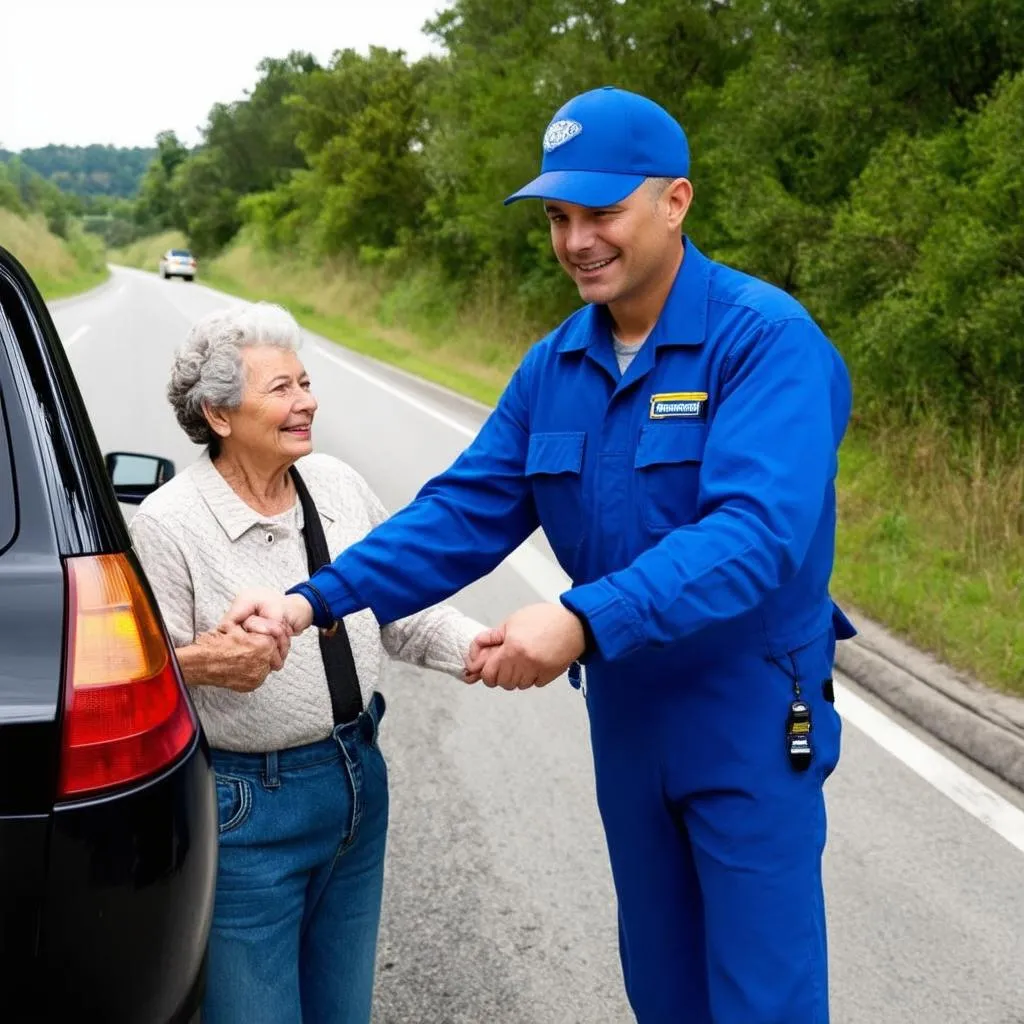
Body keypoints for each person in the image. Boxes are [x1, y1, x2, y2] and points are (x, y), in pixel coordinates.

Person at [226, 87, 857, 1023]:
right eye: (560, 217)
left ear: (674, 201)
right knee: (664, 986)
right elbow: (461, 514)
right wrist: (310, 600)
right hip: (629, 711)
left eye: (601, 212)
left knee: (763, 995)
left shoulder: (764, 343)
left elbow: (754, 537)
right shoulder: (555, 365)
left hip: (749, 707)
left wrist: (578, 616)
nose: (576, 241)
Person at [128, 302, 484, 1024]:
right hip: (249, 812)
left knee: (343, 1012)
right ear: (219, 415)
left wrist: (484, 649)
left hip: (358, 786)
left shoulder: (338, 485)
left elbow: (399, 607)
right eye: (281, 389)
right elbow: (138, 667)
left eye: (306, 382)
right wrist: (203, 661)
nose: (307, 402)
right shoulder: (169, 523)